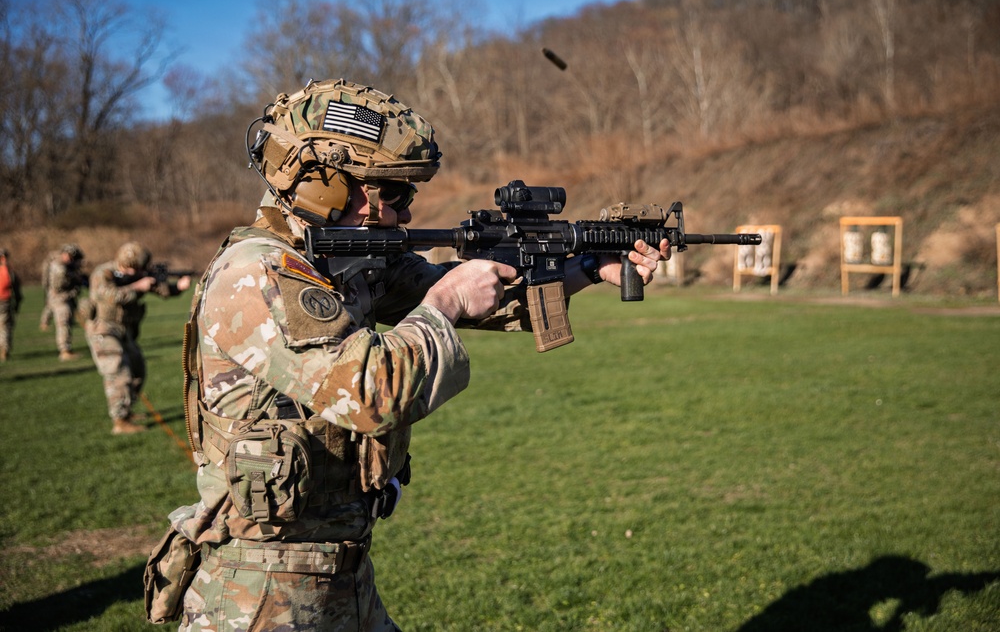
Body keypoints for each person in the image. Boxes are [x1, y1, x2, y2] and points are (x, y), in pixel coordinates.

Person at [165, 79, 669, 631]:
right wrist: (447, 301)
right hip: (260, 589)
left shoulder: (345, 260)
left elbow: (474, 295)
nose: (402, 213)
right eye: (392, 193)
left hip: (338, 571)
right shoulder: (258, 274)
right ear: (322, 183)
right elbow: (369, 392)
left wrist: (587, 267)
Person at [84, 242, 191, 434]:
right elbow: (109, 296)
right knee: (118, 372)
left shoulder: (139, 275)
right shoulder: (103, 274)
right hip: (103, 330)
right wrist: (137, 287)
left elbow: (161, 290)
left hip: (125, 331)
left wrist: (179, 287)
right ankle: (120, 421)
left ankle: (127, 410)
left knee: (137, 369)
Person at [43, 243, 88, 361]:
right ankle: (64, 351)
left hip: (63, 298)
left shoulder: (64, 266)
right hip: (60, 299)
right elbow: (59, 285)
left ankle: (66, 349)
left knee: (66, 323)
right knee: (63, 324)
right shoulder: (60, 267)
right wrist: (76, 278)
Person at [0, 248, 23, 362]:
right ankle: (4, 349)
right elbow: (17, 290)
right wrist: (17, 303)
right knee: (5, 327)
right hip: (5, 302)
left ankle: (4, 349)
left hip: (5, 302)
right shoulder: (9, 272)